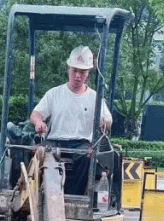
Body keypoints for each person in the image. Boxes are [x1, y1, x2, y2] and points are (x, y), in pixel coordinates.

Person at [29, 46, 113, 196]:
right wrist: (39, 123)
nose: (78, 76)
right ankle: (37, 194)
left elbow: (108, 120)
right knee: (39, 152)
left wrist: (104, 122)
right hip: (54, 141)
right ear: (68, 69)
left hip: (81, 143)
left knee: (88, 156)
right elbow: (35, 114)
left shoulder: (95, 97)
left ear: (88, 74)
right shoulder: (54, 94)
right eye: (74, 70)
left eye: (82, 72)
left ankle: (75, 197)